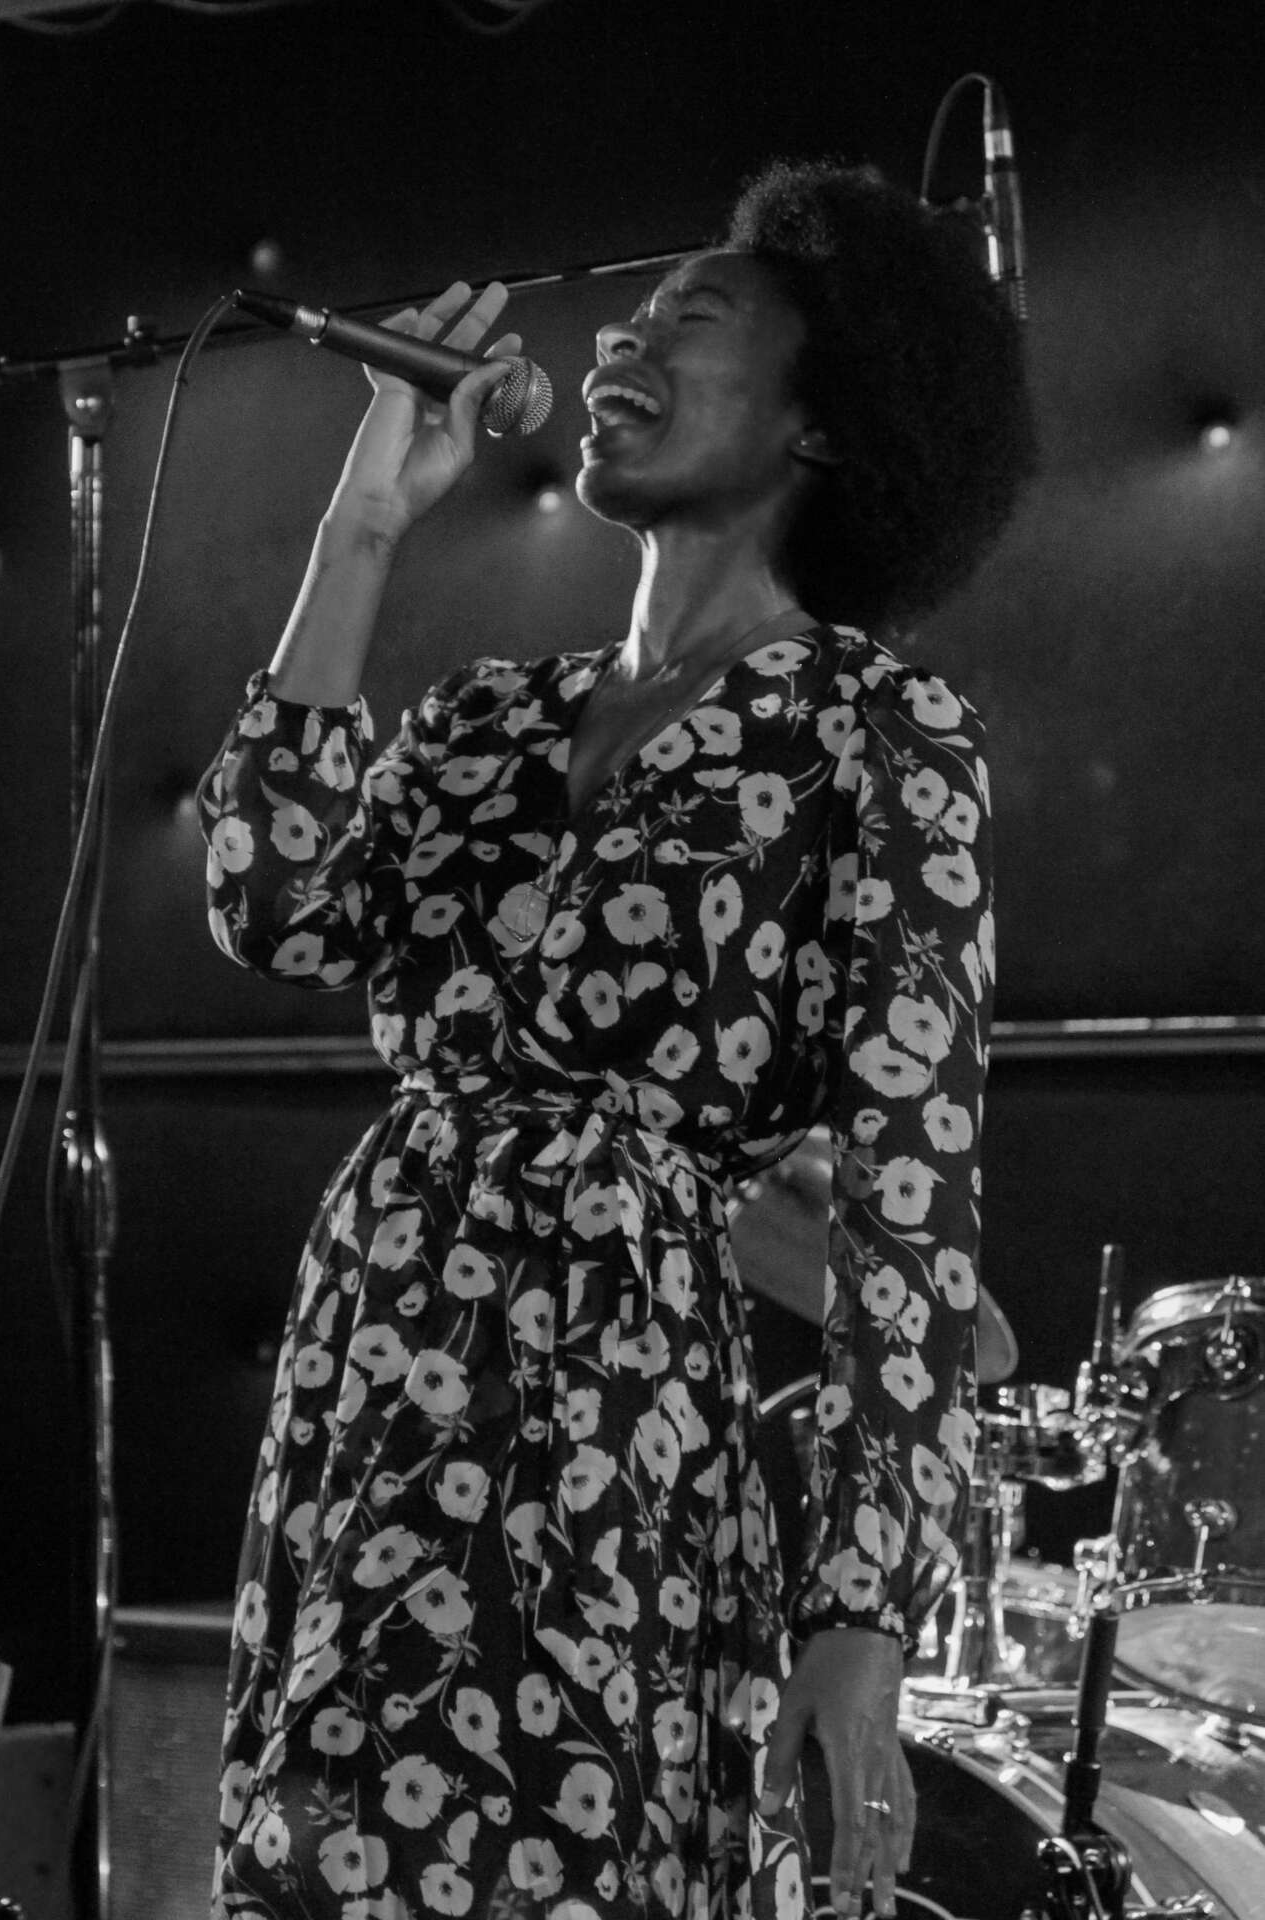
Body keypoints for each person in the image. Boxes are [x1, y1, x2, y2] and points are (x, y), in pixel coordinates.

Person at [198, 158, 1036, 1920]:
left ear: (822, 421)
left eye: (688, 319)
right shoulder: (493, 716)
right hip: (377, 1345)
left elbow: (909, 1198)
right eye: (628, 322)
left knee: (552, 1864)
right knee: (320, 1859)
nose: (616, 346)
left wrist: (861, 1615)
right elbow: (273, 903)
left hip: (609, 1386)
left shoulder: (877, 729)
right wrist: (365, 523)